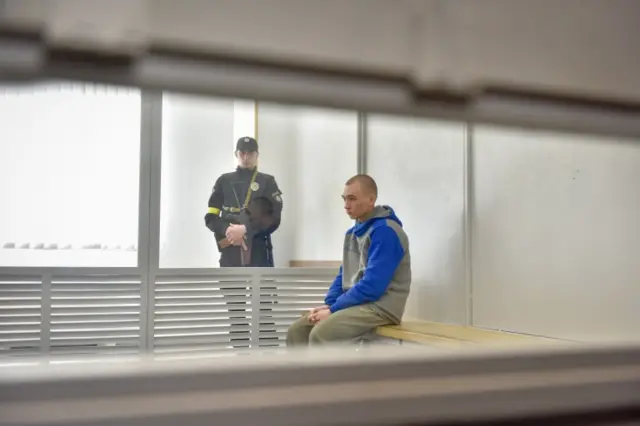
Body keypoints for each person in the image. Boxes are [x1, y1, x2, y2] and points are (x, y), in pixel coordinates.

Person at [286, 174, 411, 346]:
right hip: (357, 304)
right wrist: (329, 305)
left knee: (321, 334)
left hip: (381, 307)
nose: (346, 205)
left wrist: (334, 310)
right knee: (297, 331)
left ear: (371, 199)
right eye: (344, 199)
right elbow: (343, 275)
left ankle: (330, 374)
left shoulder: (386, 232)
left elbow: (373, 287)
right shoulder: (352, 233)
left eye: (352, 199)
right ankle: (300, 374)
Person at [205, 136, 283, 267]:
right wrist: (227, 230)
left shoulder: (267, 182)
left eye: (250, 153)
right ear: (236, 154)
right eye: (242, 153)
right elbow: (210, 218)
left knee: (260, 287)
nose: (246, 157)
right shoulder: (223, 181)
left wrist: (246, 229)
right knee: (231, 287)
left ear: (257, 155)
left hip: (259, 250)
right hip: (230, 249)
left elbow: (275, 219)